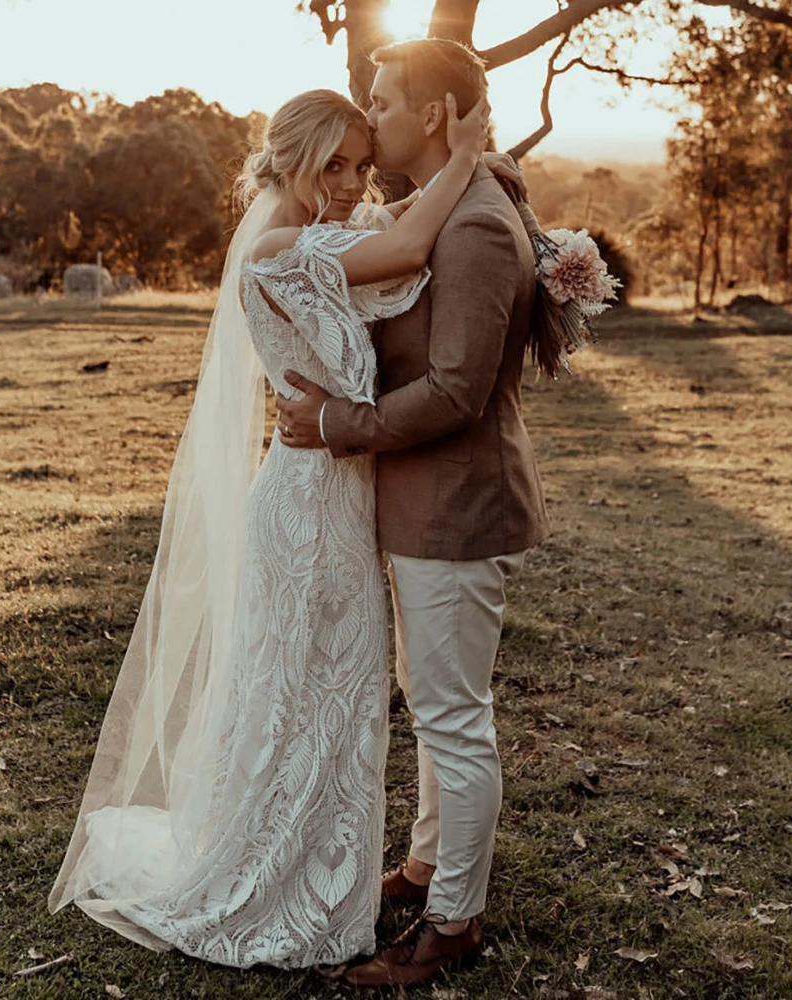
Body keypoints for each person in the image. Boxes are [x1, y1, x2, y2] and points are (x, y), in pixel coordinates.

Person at [47, 85, 514, 970]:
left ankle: (320, 871)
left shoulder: (327, 237)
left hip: (339, 497)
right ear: (287, 163)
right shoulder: (279, 246)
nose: (348, 182)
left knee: (330, 699)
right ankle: (274, 878)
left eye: (357, 163)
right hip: (304, 506)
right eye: (330, 165)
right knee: (305, 697)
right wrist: (468, 154)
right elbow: (410, 244)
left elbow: (402, 233)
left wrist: (490, 187)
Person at [276, 39, 552, 988]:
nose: (375, 114)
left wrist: (331, 421)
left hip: (459, 507)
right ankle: (430, 866)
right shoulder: (448, 209)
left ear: (433, 116)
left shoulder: (474, 226)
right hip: (426, 506)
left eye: (385, 102)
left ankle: (453, 925)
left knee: (454, 718)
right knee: (439, 710)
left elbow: (457, 391)